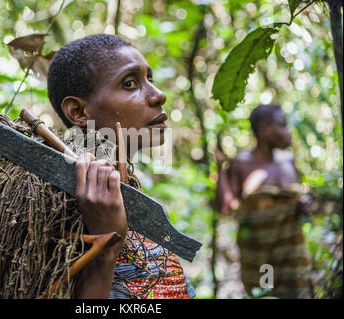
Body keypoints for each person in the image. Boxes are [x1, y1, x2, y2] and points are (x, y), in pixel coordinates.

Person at [47, 33, 197, 299]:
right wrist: (104, 249)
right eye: (130, 84)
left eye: (150, 79)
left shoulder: (134, 200)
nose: (158, 95)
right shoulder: (53, 220)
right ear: (79, 112)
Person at [215, 104, 313, 298]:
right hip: (259, 261)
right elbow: (225, 207)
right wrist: (220, 169)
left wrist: (305, 204)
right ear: (264, 130)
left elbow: (299, 200)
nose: (288, 132)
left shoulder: (289, 161)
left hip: (292, 258)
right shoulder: (241, 164)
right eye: (283, 125)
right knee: (264, 294)